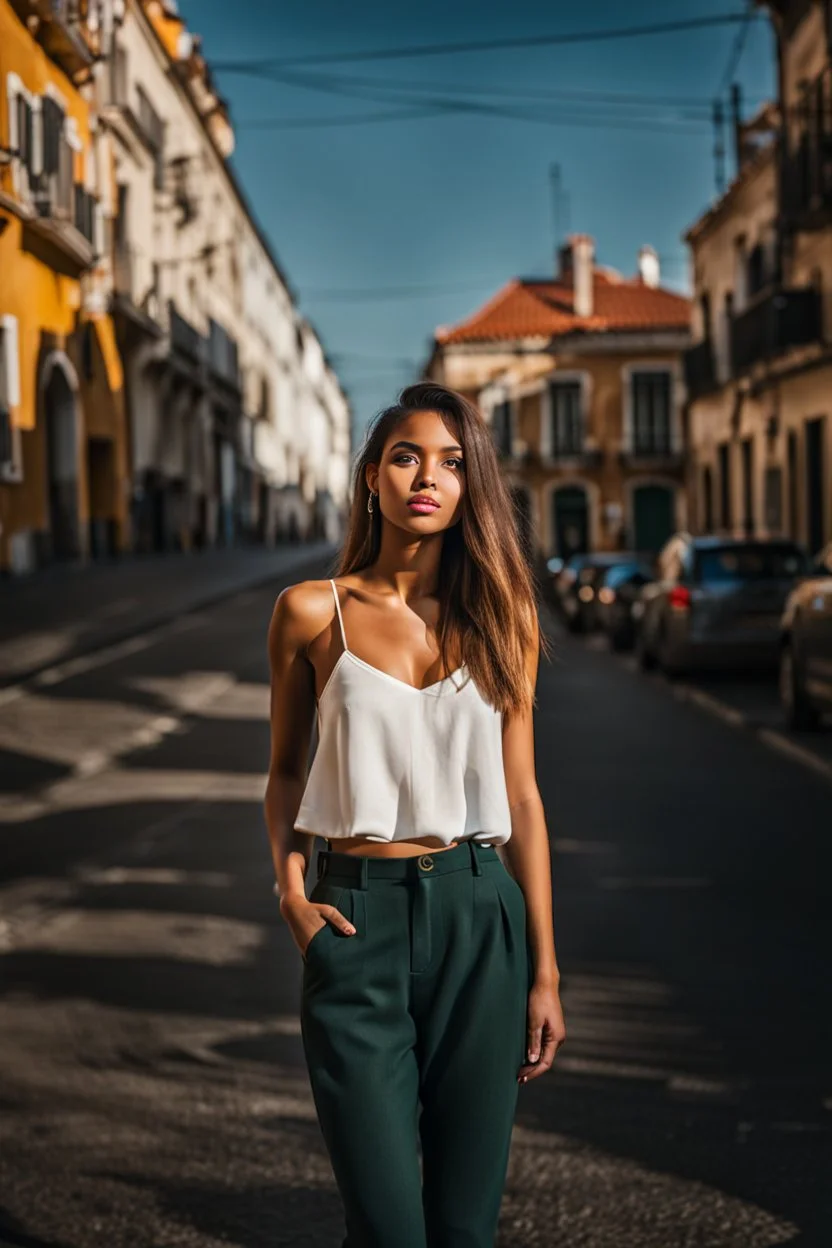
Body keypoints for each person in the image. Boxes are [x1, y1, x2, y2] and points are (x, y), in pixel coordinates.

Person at [264, 382, 566, 1248]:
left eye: (452, 462)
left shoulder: (501, 612)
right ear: (371, 477)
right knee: (389, 1225)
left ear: (474, 488)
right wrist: (292, 897)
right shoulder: (310, 612)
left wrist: (544, 971)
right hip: (354, 923)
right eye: (405, 456)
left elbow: (524, 798)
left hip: (481, 918)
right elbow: (285, 773)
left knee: (465, 1227)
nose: (426, 477)